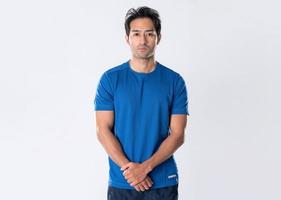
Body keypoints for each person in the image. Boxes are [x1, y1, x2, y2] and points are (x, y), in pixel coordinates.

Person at [94, 6, 190, 200]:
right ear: (127, 38)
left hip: (163, 180)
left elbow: (178, 135)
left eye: (149, 34)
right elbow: (103, 131)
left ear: (158, 38)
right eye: (136, 34)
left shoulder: (174, 81)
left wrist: (145, 168)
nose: (143, 40)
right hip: (123, 180)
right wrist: (131, 172)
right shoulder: (111, 79)